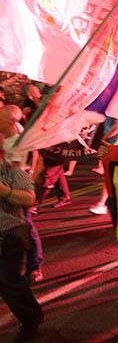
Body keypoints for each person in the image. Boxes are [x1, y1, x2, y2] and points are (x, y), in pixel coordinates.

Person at [0, 146, 43, 342]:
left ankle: (31, 317)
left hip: (8, 236)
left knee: (9, 283)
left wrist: (4, 190)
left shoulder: (12, 172)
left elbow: (29, 199)